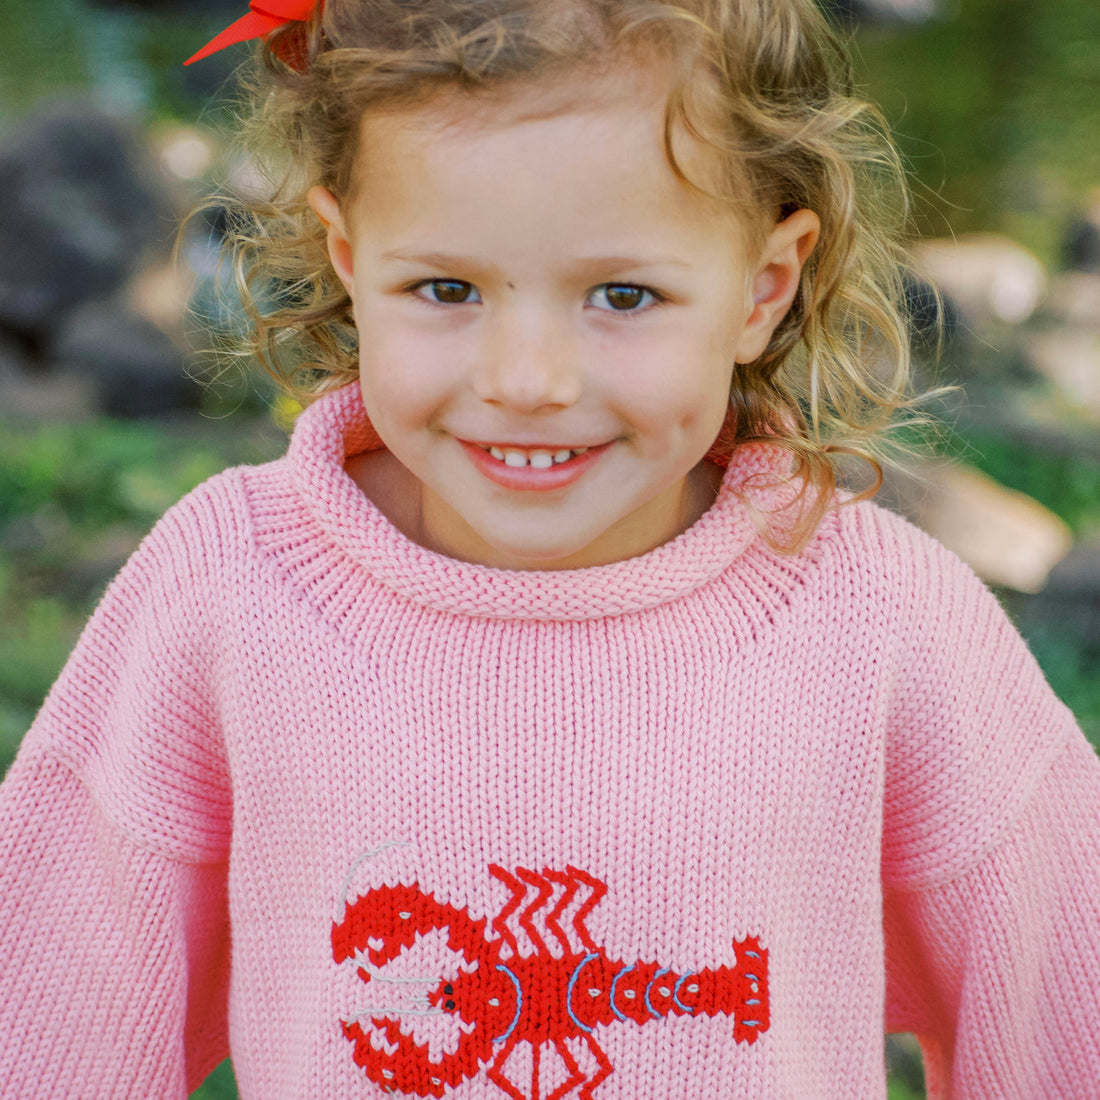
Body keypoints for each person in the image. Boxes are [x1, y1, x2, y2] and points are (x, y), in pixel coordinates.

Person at [2, 1, 1098, 1097]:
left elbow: (1062, 1013)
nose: (526, 381)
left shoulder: (878, 616)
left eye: (623, 295)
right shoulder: (228, 589)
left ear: (763, 288)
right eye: (445, 289)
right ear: (347, 259)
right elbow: (50, 1031)